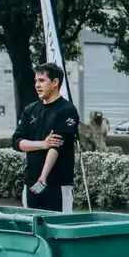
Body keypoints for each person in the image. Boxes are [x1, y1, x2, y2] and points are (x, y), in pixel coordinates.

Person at [13, 63, 80, 211]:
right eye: (36, 81)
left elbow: (56, 145)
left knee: (58, 225)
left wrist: (44, 176)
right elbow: (17, 142)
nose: (37, 85)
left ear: (55, 82)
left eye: (42, 80)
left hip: (57, 184)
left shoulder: (67, 110)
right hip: (31, 183)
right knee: (32, 224)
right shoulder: (30, 109)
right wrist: (42, 144)